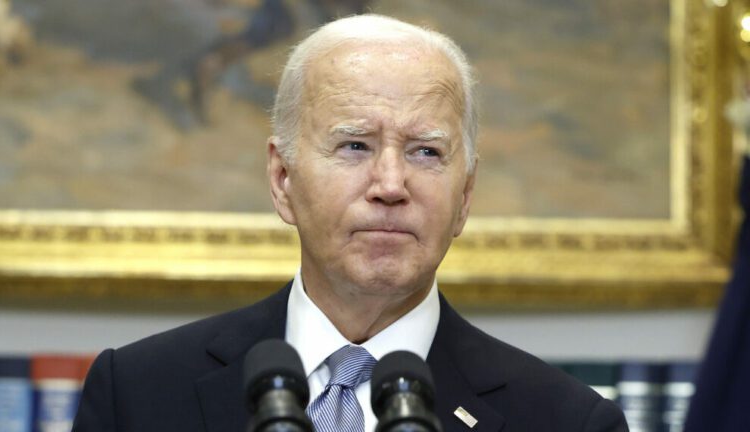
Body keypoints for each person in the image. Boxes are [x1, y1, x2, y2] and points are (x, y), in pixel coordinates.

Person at [72, 14, 628, 432]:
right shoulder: (138, 393)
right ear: (282, 177)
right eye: (355, 145)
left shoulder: (568, 421)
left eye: (426, 153)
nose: (390, 185)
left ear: (465, 196)